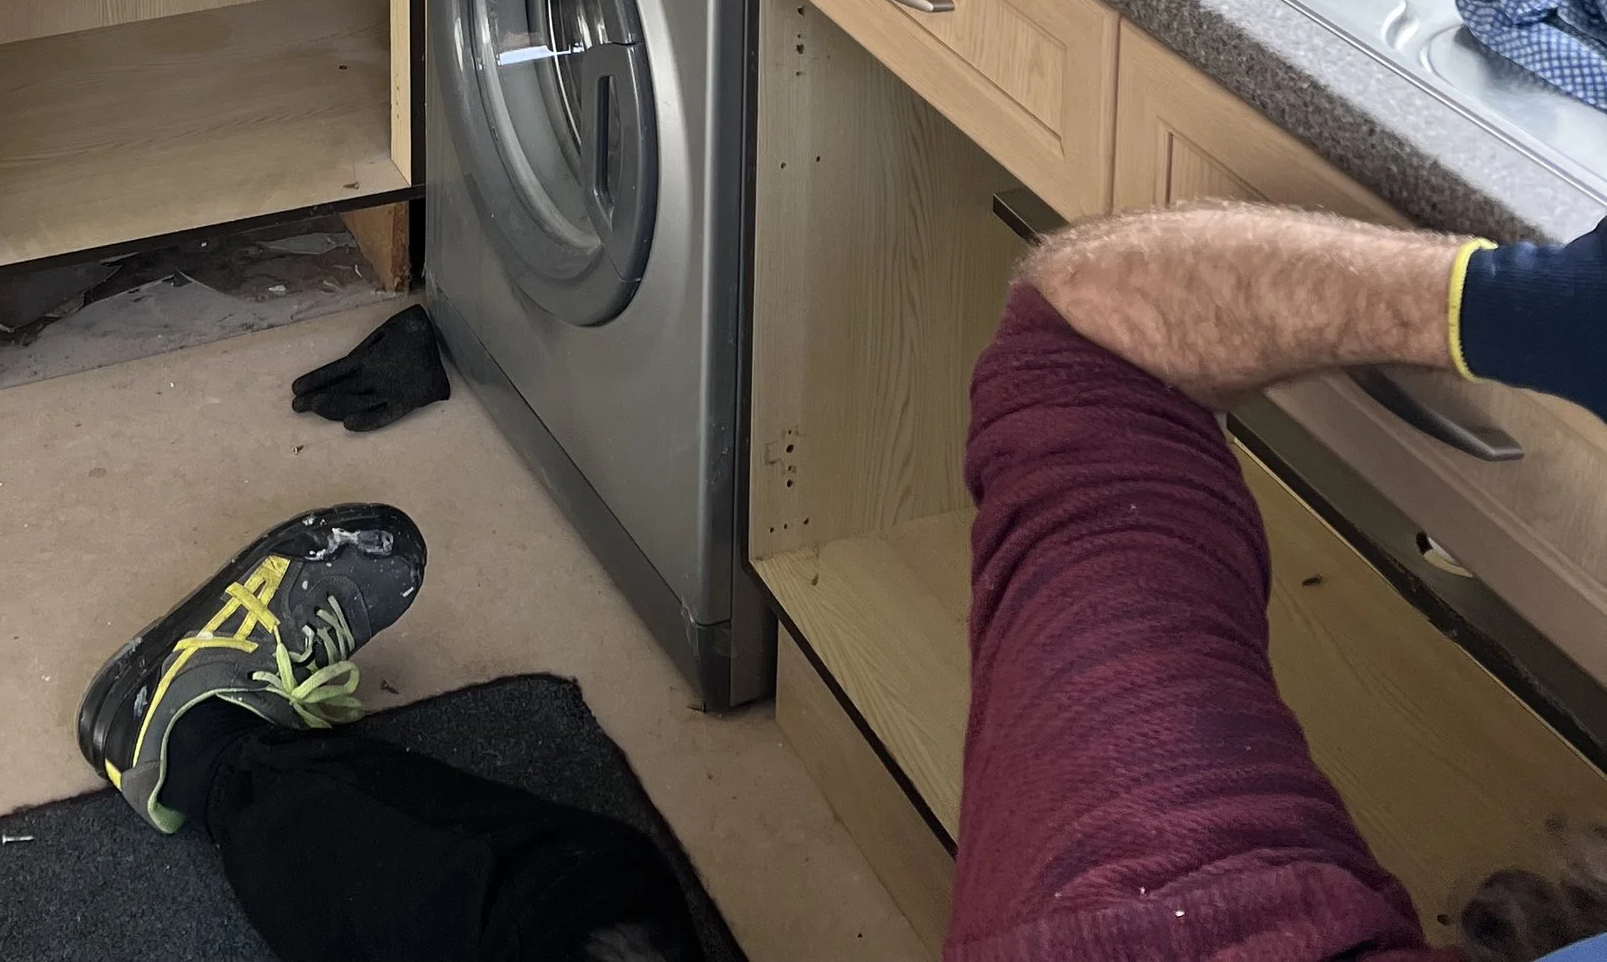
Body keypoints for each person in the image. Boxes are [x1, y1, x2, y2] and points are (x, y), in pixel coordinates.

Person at [78, 205, 1607, 962]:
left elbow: (1098, 332)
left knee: (562, 905)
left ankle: (210, 746)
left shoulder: (1179, 919)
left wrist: (1522, 308)